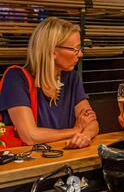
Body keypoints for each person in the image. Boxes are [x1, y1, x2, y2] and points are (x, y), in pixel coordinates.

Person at [0, 17, 99, 148]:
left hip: (65, 158)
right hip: (28, 165)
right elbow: (30, 136)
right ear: (52, 51)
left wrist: (84, 136)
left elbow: (92, 123)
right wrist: (75, 130)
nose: (80, 54)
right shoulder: (16, 78)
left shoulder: (72, 78)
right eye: (75, 49)